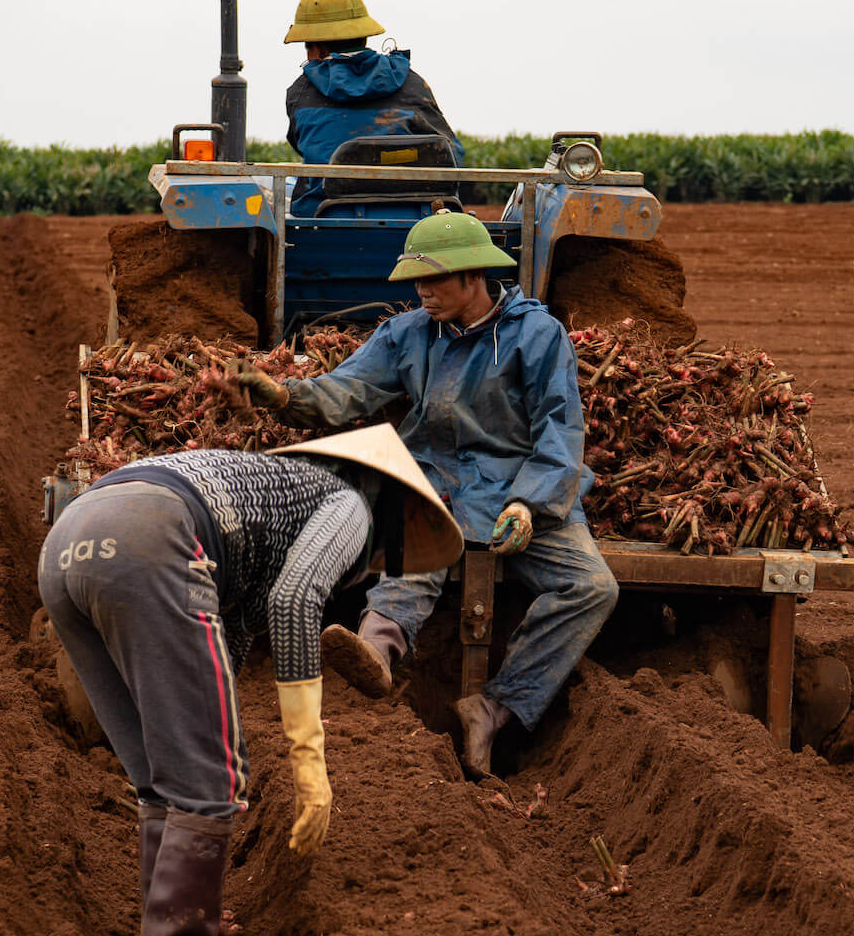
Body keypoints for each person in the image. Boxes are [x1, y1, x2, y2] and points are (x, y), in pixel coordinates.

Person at [37, 427, 463, 936]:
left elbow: (226, 645)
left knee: (165, 782)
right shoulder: (349, 504)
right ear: (391, 504)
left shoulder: (270, 501)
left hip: (70, 542)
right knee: (208, 783)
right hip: (154, 536)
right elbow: (295, 602)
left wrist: (216, 724)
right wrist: (309, 765)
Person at [233, 210, 619, 778]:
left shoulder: (537, 335)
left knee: (591, 587)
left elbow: (560, 428)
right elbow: (348, 391)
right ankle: (376, 654)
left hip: (520, 491)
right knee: (414, 552)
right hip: (433, 478)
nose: (422, 292)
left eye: (434, 280)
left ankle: (495, 706)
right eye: (416, 281)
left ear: (474, 278)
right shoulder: (407, 333)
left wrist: (529, 503)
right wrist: (283, 396)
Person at [283, 0, 464, 215]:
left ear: (317, 49)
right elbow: (452, 154)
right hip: (418, 216)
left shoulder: (301, 91)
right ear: (364, 37)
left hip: (326, 214)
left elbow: (302, 144)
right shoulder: (411, 83)